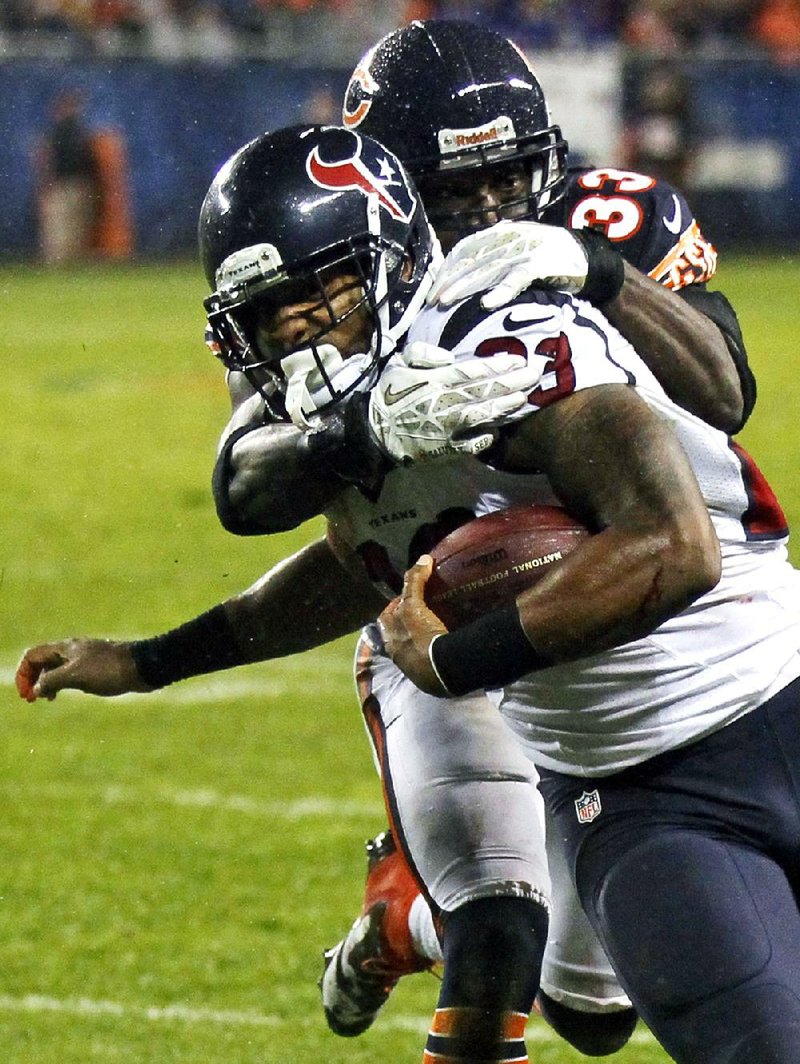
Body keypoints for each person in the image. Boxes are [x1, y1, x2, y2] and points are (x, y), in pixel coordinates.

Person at [17, 116, 800, 1064]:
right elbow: (363, 561)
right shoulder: (338, 419)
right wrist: (148, 661)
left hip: (774, 695)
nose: (299, 329)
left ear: (390, 257)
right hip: (639, 794)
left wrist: (450, 659)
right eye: (271, 312)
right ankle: (425, 921)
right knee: (658, 1026)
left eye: (323, 292)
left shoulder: (502, 335)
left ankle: (414, 920)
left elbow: (675, 546)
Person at [36, 89, 101, 265]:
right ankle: (58, 263)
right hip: (62, 184)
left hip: (79, 183)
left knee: (78, 226)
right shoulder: (58, 133)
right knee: (60, 227)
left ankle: (73, 262)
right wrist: (46, 183)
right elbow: (45, 158)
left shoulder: (79, 131)